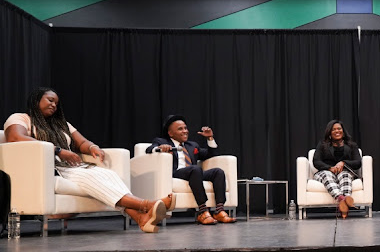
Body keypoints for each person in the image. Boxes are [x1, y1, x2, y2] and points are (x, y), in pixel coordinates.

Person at [4, 88, 169, 233]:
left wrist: (92, 148)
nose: (54, 105)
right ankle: (145, 204)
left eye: (56, 103)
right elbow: (15, 137)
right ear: (36, 100)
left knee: (107, 175)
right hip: (49, 169)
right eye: (50, 100)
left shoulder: (61, 124)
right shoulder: (21, 118)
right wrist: (59, 151)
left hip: (71, 167)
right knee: (92, 178)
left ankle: (141, 219)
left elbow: (81, 142)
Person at [146, 115, 236, 225]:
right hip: (176, 173)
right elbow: (149, 149)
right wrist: (160, 148)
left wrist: (210, 138)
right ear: (170, 133)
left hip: (194, 173)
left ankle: (219, 211)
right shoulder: (161, 141)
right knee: (195, 169)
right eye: (180, 129)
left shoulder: (192, 145)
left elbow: (211, 154)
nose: (185, 131)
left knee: (218, 172)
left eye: (185, 128)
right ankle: (202, 211)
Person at [312, 120, 361, 219]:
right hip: (325, 172)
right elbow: (316, 161)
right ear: (329, 132)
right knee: (327, 175)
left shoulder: (352, 145)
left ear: (343, 131)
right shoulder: (322, 144)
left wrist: (344, 163)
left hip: (344, 171)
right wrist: (330, 168)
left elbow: (358, 162)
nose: (337, 131)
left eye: (339, 128)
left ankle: (344, 202)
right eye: (333, 129)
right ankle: (343, 199)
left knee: (345, 175)